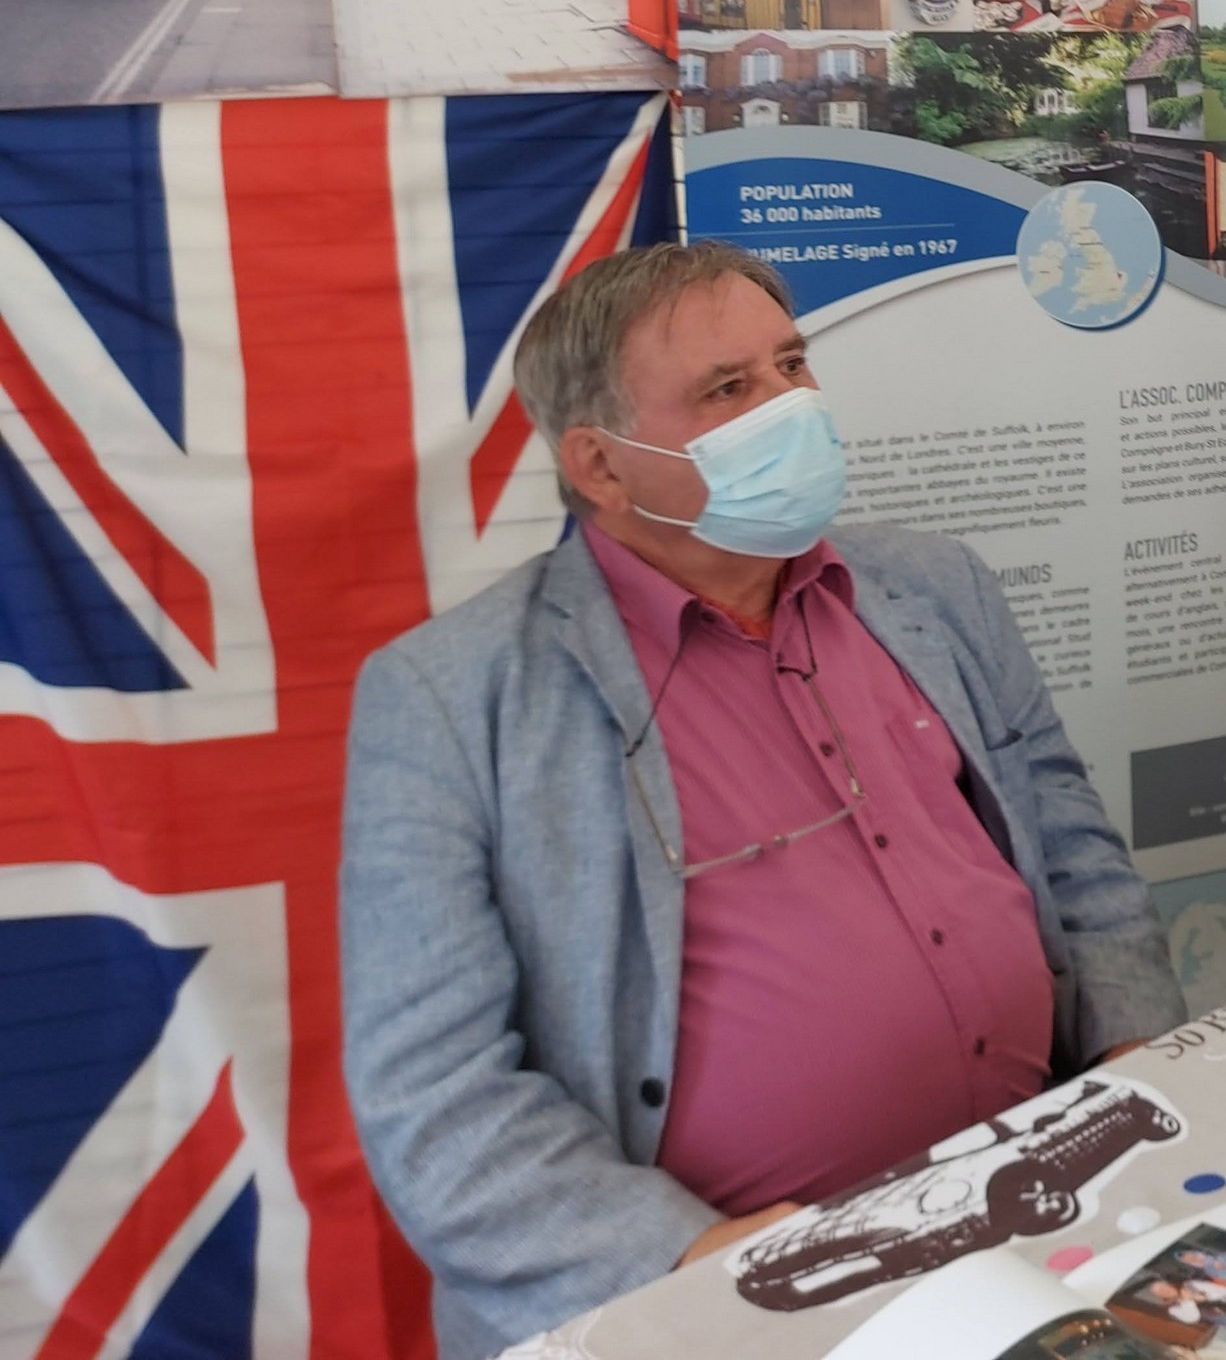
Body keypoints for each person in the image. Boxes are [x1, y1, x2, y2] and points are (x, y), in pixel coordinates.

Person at [339, 243, 1181, 1358]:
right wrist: (696, 1262)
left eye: (792, 364)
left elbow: (1072, 848)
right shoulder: (451, 701)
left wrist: (1136, 1049)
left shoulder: (937, 586)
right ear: (599, 465)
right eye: (730, 390)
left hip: (1051, 1204)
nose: (791, 406)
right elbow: (435, 1099)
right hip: (744, 1293)